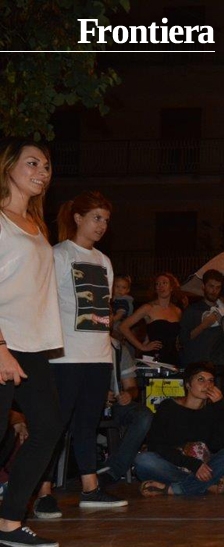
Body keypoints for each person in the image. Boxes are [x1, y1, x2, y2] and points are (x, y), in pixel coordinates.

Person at [34, 191, 127, 518]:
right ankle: (43, 492)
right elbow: (43, 303)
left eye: (106, 220)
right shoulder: (58, 254)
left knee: (88, 424)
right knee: (55, 426)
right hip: (65, 356)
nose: (102, 225)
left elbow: (104, 310)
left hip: (98, 356)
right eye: (96, 218)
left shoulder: (105, 261)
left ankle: (90, 489)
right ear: (78, 218)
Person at [0, 139, 63, 547]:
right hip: (2, 341)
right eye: (32, 163)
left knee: (48, 426)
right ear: (8, 166)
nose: (42, 171)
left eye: (46, 165)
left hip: (30, 345)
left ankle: (9, 522)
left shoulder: (37, 226)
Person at [134, 362, 224, 497]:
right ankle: (206, 485)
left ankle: (176, 489)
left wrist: (220, 406)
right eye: (201, 380)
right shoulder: (168, 407)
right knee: (144, 460)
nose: (207, 385)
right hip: (173, 464)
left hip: (205, 465)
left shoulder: (213, 410)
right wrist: (193, 465)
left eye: (211, 381)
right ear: (188, 385)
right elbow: (156, 445)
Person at [95, 338, 154, 488]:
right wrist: (98, 395)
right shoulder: (78, 343)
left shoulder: (118, 348)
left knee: (144, 415)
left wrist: (128, 394)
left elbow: (132, 387)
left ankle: (112, 470)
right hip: (84, 403)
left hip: (113, 405)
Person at [119, 272, 183, 366]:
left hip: (173, 358)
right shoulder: (148, 308)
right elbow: (123, 327)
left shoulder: (177, 311)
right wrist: (142, 347)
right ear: (155, 289)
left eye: (164, 283)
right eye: (157, 284)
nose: (161, 286)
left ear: (171, 287)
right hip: (154, 358)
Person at [178, 269, 224, 366]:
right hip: (193, 364)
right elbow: (183, 339)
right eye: (211, 286)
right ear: (203, 286)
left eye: (218, 287)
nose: (214, 291)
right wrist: (203, 325)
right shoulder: (192, 310)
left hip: (215, 365)